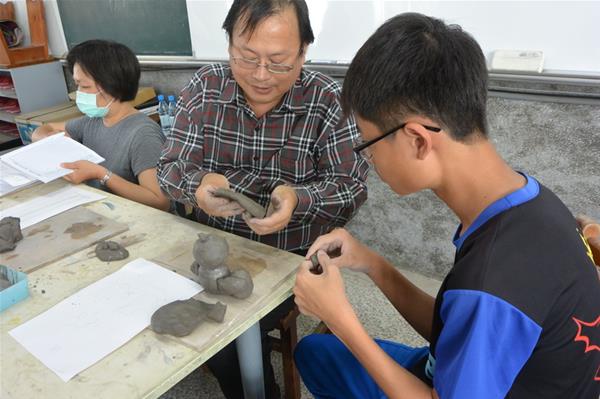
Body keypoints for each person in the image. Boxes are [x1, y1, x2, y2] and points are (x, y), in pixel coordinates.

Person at [293, 12, 600, 399]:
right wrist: (372, 263)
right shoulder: (527, 200)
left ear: (418, 140)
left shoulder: (491, 282)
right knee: (315, 353)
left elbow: (478, 307)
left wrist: (340, 319)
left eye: (368, 146)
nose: (368, 161)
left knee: (330, 350)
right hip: (466, 373)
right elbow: (458, 323)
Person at [157, 0, 368, 396]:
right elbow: (169, 168)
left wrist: (297, 199)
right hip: (217, 246)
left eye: (278, 62)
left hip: (293, 257)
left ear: (304, 51)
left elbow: (351, 187)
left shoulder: (328, 102)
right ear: (229, 44)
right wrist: (197, 188)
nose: (260, 75)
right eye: (246, 57)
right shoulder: (205, 89)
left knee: (223, 328)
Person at [32, 40, 169, 211]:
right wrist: (47, 138)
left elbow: (160, 202)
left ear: (112, 86)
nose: (79, 93)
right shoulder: (93, 120)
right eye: (77, 85)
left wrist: (101, 174)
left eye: (84, 86)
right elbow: (43, 129)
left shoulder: (143, 134)